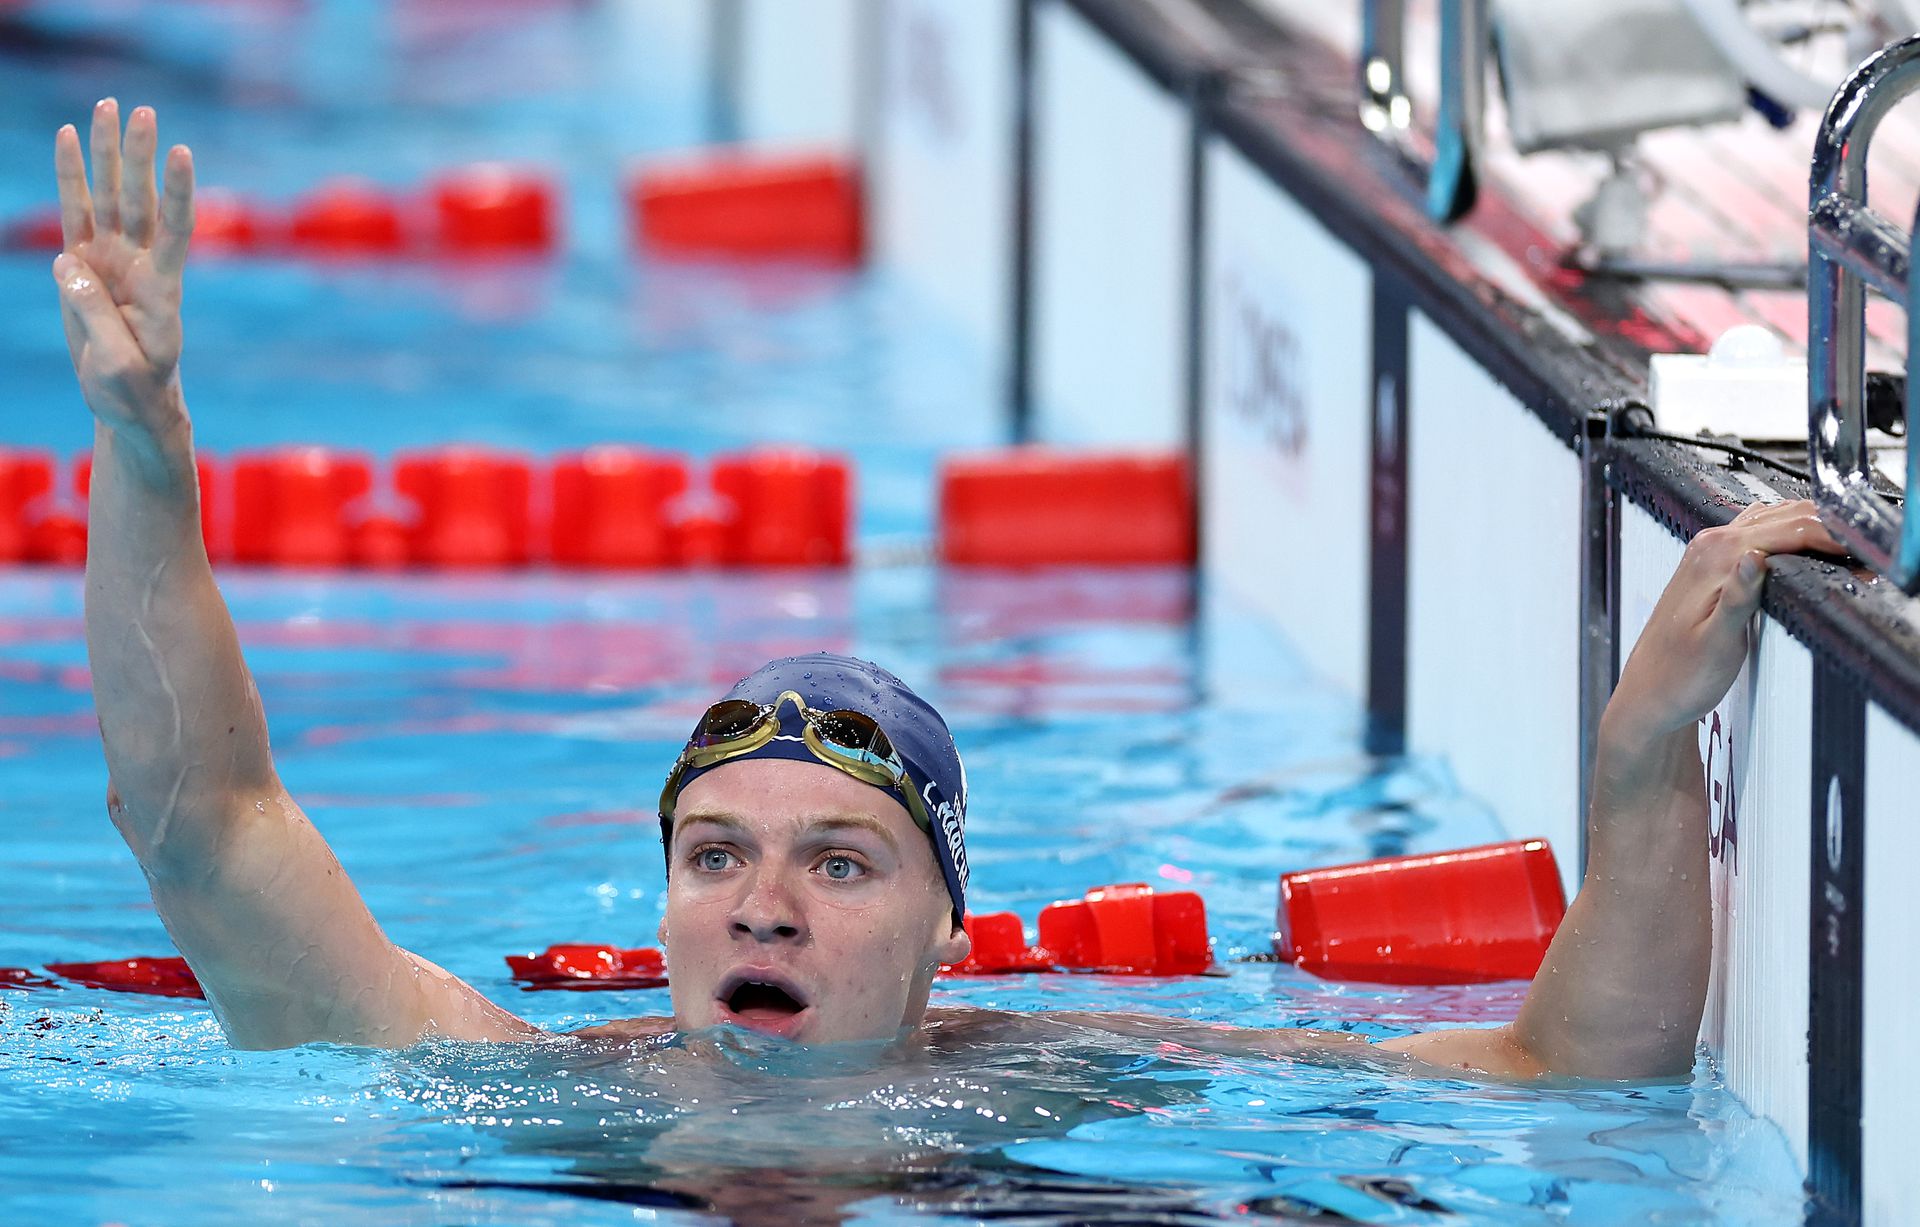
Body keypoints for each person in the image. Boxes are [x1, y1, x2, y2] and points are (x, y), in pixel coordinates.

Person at [49, 99, 1843, 1078]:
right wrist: (147, 454)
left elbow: (1575, 1080)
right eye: (716, 857)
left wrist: (1637, 767)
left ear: (952, 941)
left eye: (839, 863)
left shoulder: (1070, 1087)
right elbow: (200, 825)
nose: (760, 909)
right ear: (660, 907)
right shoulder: (538, 1099)